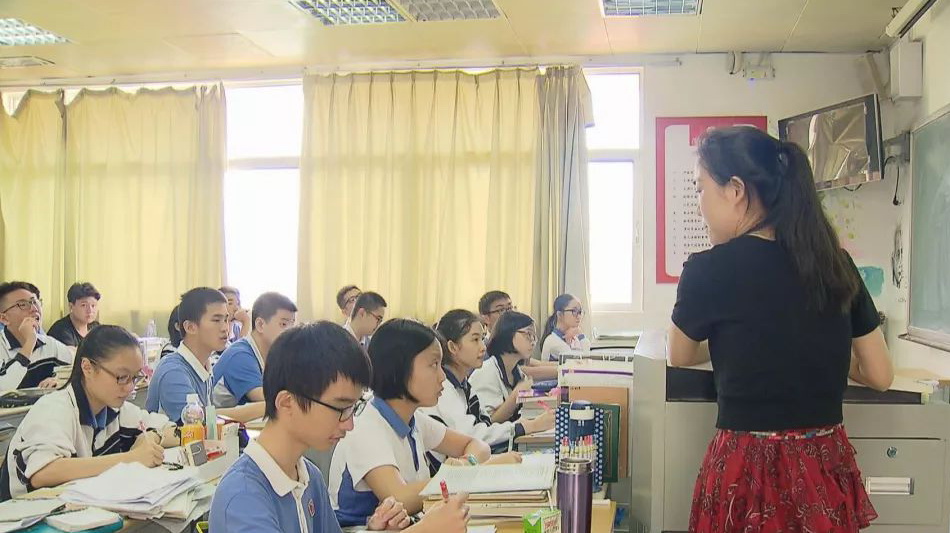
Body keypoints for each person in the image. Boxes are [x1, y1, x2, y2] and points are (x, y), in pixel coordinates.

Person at [667, 126, 893, 532]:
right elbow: (880, 374)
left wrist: (736, 342)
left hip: (746, 471)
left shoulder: (708, 269)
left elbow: (679, 354)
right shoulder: (835, 263)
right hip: (822, 469)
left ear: (735, 190)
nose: (699, 204)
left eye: (701, 188)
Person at [210, 321, 470, 533]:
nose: (350, 424)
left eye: (353, 408)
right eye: (340, 408)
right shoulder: (243, 497)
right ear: (287, 403)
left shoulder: (308, 476)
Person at [330, 319, 502, 526]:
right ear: (399, 368)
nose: (442, 377)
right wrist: (457, 475)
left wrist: (466, 464)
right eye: (433, 365)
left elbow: (478, 446)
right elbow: (400, 498)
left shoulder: (413, 419)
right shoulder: (365, 428)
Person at [0, 326, 178, 500]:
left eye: (135, 377)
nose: (130, 387)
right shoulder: (55, 408)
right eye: (122, 377)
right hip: (23, 514)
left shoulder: (116, 409)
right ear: (87, 367)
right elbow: (43, 473)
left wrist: (152, 436)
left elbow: (175, 431)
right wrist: (130, 459)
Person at [422, 309, 553, 471]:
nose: (483, 347)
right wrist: (525, 426)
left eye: (482, 339)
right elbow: (473, 435)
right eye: (475, 340)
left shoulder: (464, 385)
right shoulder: (445, 390)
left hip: (475, 462)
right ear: (453, 347)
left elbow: (485, 425)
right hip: (458, 473)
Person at [146, 288, 264, 423]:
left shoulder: (204, 366)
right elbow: (198, 421)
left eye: (226, 319)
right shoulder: (173, 372)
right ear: (190, 327)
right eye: (216, 320)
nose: (225, 328)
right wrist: (267, 406)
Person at [212, 292, 297, 407]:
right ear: (260, 325)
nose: (291, 331)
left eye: (292, 324)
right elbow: (268, 400)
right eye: (283, 324)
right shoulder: (240, 355)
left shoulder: (273, 354)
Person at [0, 281, 73, 390]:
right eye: (23, 305)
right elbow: (4, 388)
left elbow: (79, 373)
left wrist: (61, 382)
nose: (34, 308)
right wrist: (29, 343)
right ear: (4, 318)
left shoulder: (50, 344)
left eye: (34, 302)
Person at [469, 311, 537, 424]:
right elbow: (488, 423)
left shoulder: (517, 373)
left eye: (534, 336)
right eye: (528, 334)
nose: (533, 342)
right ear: (509, 333)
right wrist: (516, 395)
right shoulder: (486, 372)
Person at [477, 291, 556, 380]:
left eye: (510, 308)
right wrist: (563, 370)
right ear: (486, 318)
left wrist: (564, 365)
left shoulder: (515, 342)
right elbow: (524, 371)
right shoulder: (486, 348)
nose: (508, 314)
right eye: (501, 310)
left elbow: (535, 363)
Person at [47, 282, 101, 351]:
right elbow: (74, 355)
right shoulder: (61, 330)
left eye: (93, 305)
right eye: (84, 305)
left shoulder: (96, 327)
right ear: (71, 306)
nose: (90, 310)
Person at [539, 293, 590, 362]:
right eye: (574, 311)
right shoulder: (552, 340)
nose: (579, 316)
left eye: (580, 312)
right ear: (560, 314)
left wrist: (579, 334)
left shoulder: (574, 337)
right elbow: (581, 361)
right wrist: (580, 333)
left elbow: (588, 357)